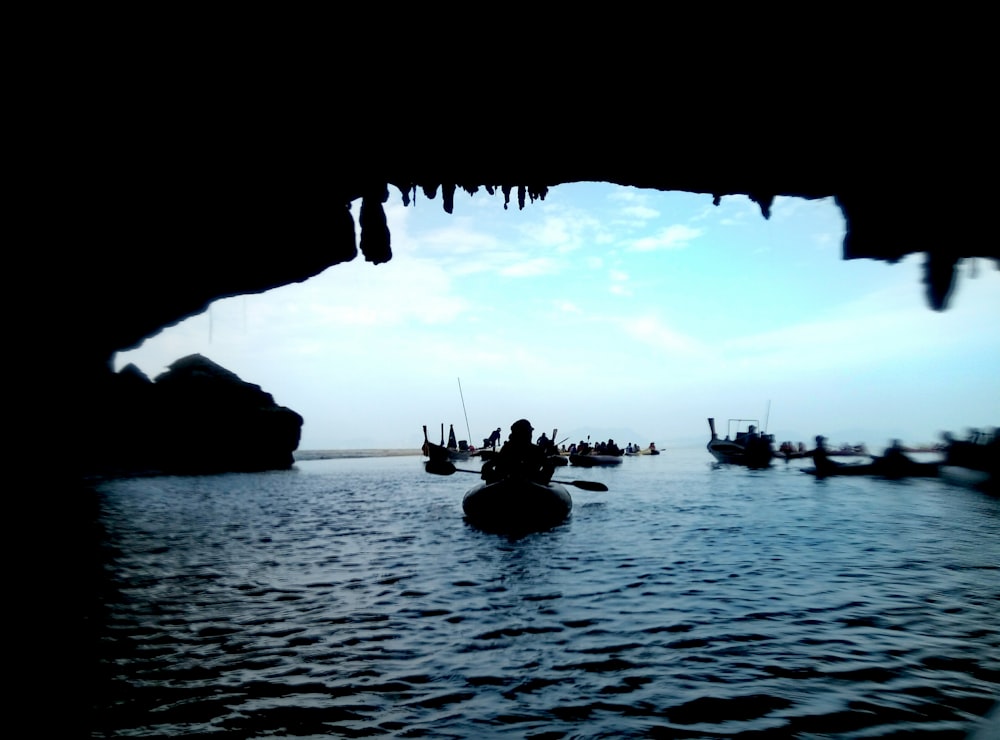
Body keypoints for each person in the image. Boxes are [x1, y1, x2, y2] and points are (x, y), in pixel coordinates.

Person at [481, 419, 555, 484]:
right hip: (513, 486)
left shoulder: (507, 448)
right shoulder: (535, 450)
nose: (530, 435)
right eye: (529, 432)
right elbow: (548, 467)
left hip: (517, 485)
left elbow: (487, 467)